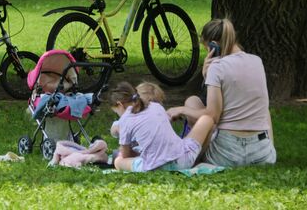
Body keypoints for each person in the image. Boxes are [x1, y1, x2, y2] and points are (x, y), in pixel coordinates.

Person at [166, 18, 277, 167]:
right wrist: (207, 77)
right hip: (262, 155)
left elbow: (212, 116)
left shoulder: (217, 67)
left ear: (214, 46)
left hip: (227, 154)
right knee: (265, 111)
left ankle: (192, 156)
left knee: (191, 103)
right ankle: (270, 149)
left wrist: (181, 109)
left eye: (207, 48)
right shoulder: (257, 61)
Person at [109, 81, 214, 172]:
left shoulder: (125, 120)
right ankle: (198, 159)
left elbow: (126, 155)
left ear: (120, 104)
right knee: (207, 119)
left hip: (153, 167)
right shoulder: (157, 107)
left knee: (119, 160)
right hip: (183, 160)